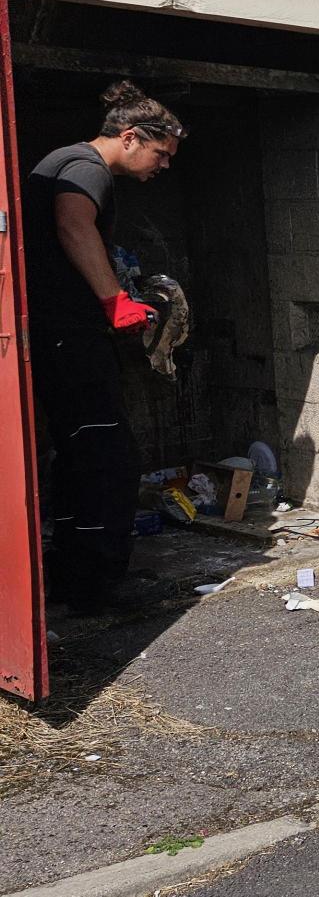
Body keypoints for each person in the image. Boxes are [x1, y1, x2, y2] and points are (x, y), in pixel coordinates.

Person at [23, 80, 183, 611]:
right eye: (161, 154)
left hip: (55, 333)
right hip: (69, 336)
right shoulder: (87, 167)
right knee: (109, 458)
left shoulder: (66, 160)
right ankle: (94, 587)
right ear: (131, 137)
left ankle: (73, 579)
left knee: (79, 454)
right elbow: (73, 223)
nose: (164, 166)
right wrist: (115, 301)